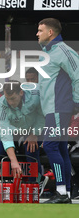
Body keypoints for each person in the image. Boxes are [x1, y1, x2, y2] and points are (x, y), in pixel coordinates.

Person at [36, 18, 79, 203]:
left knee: (51, 146)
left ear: (50, 33)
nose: (37, 34)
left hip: (59, 108)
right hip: (50, 111)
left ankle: (61, 192)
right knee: (60, 148)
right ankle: (67, 193)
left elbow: (77, 75)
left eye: (40, 30)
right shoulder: (46, 53)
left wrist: (76, 102)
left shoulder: (64, 51)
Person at [0, 81, 44, 178]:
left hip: (33, 129)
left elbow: (42, 115)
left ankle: (36, 182)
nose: (10, 102)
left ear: (21, 93)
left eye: (13, 98)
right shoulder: (1, 103)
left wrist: (34, 133)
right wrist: (14, 161)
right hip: (12, 130)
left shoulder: (36, 94)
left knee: (31, 149)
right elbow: (5, 131)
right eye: (8, 99)